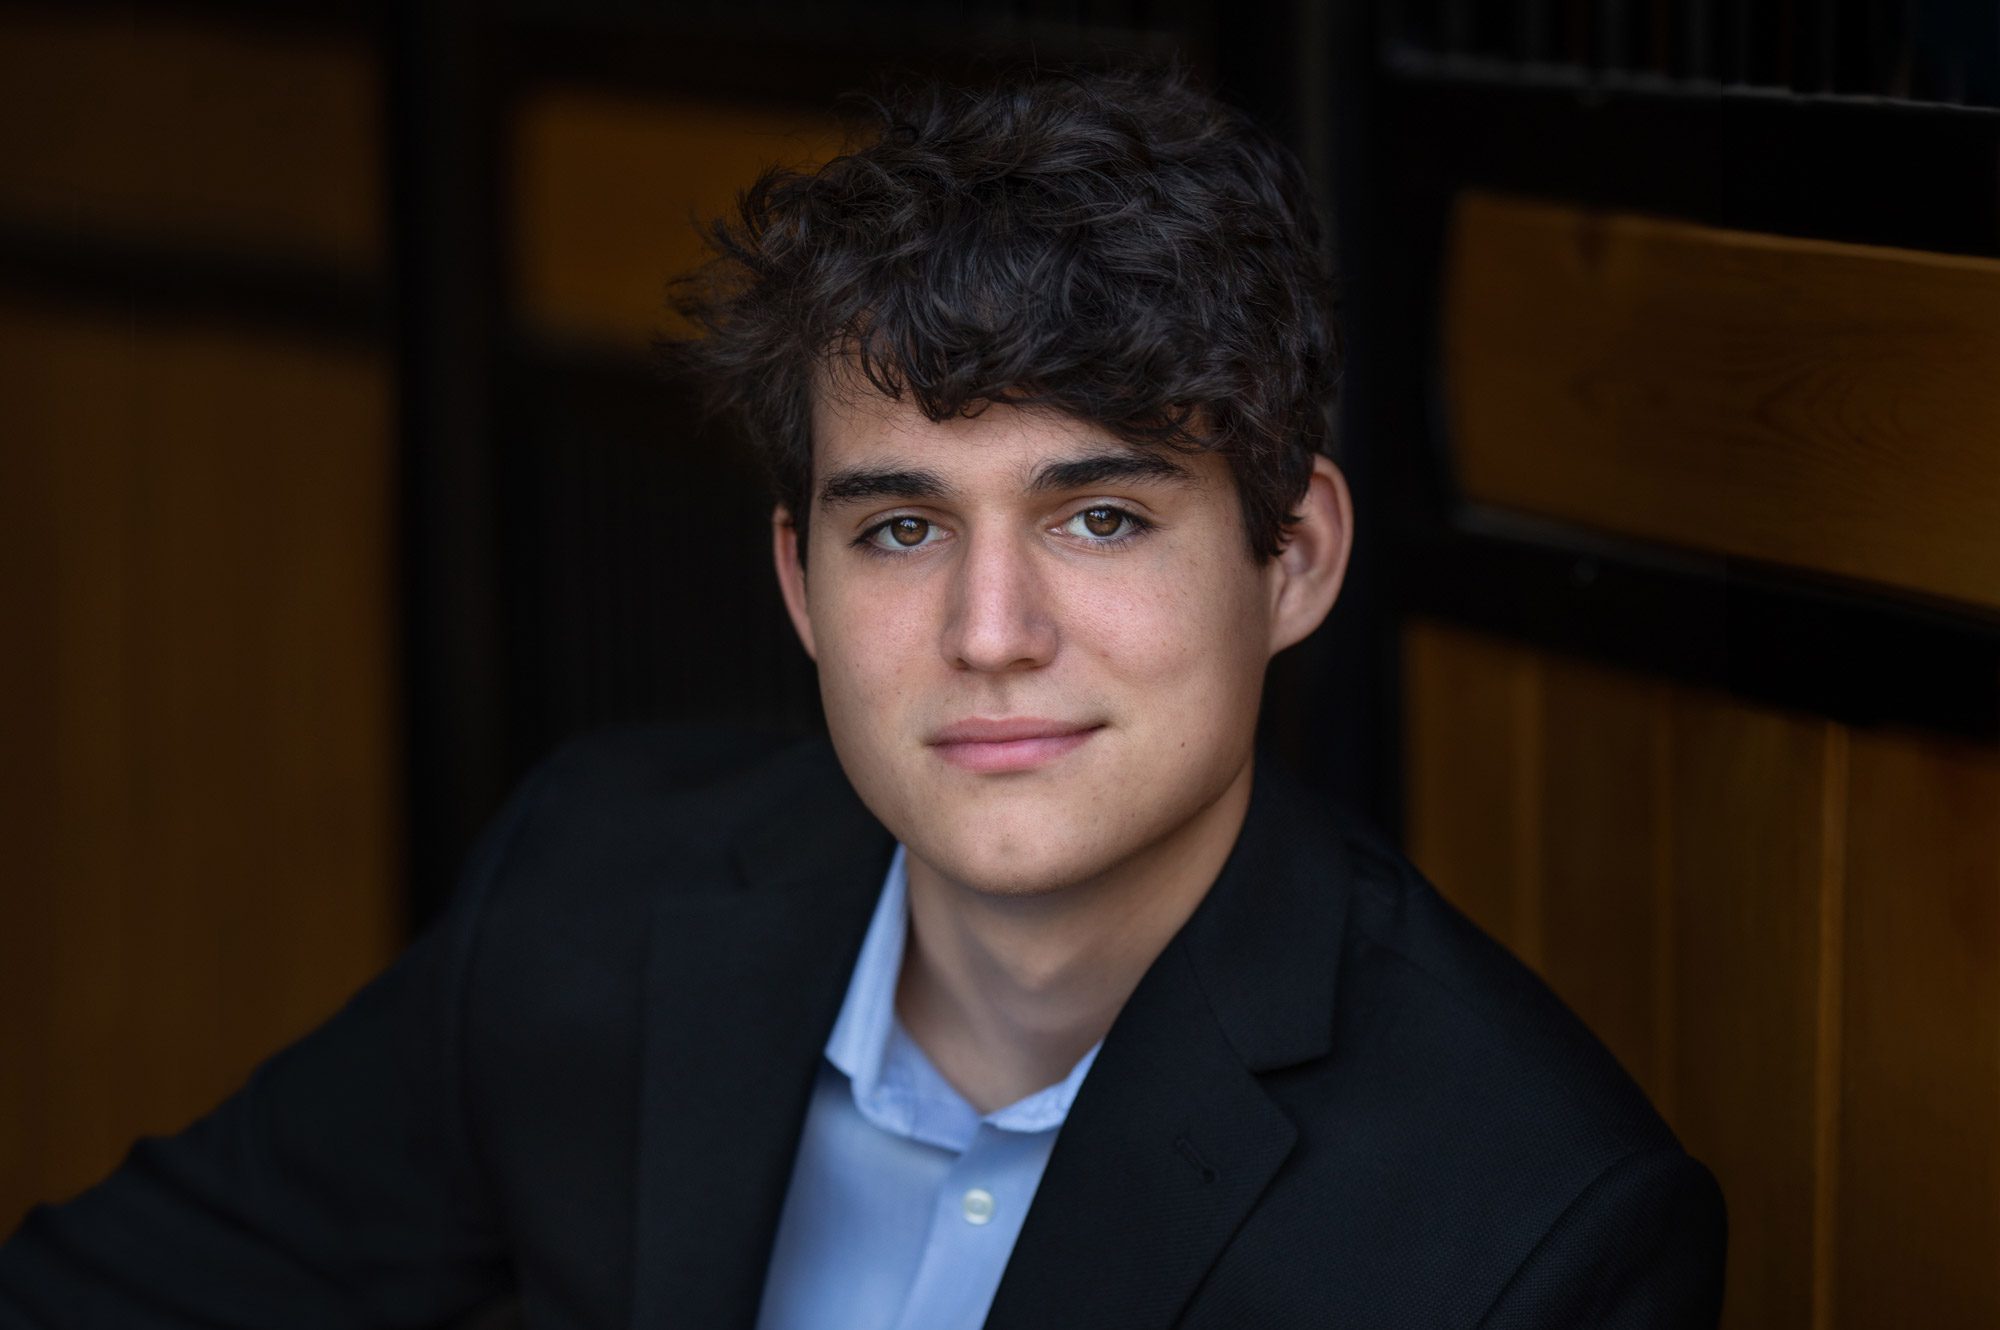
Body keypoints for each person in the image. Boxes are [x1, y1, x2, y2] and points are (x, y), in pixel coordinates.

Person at [0, 64, 1724, 1329]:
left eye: (1100, 514)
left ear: (1297, 559)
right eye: (901, 526)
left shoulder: (1529, 1229)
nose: (990, 629)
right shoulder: (599, 889)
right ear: (796, 585)